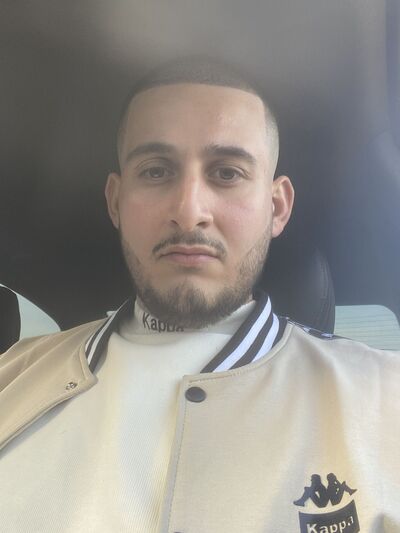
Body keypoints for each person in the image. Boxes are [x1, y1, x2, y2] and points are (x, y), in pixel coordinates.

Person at [0, 58, 399, 533]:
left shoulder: (383, 399)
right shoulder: (10, 378)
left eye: (227, 173)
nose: (189, 213)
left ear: (277, 207)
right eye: (155, 171)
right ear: (115, 201)